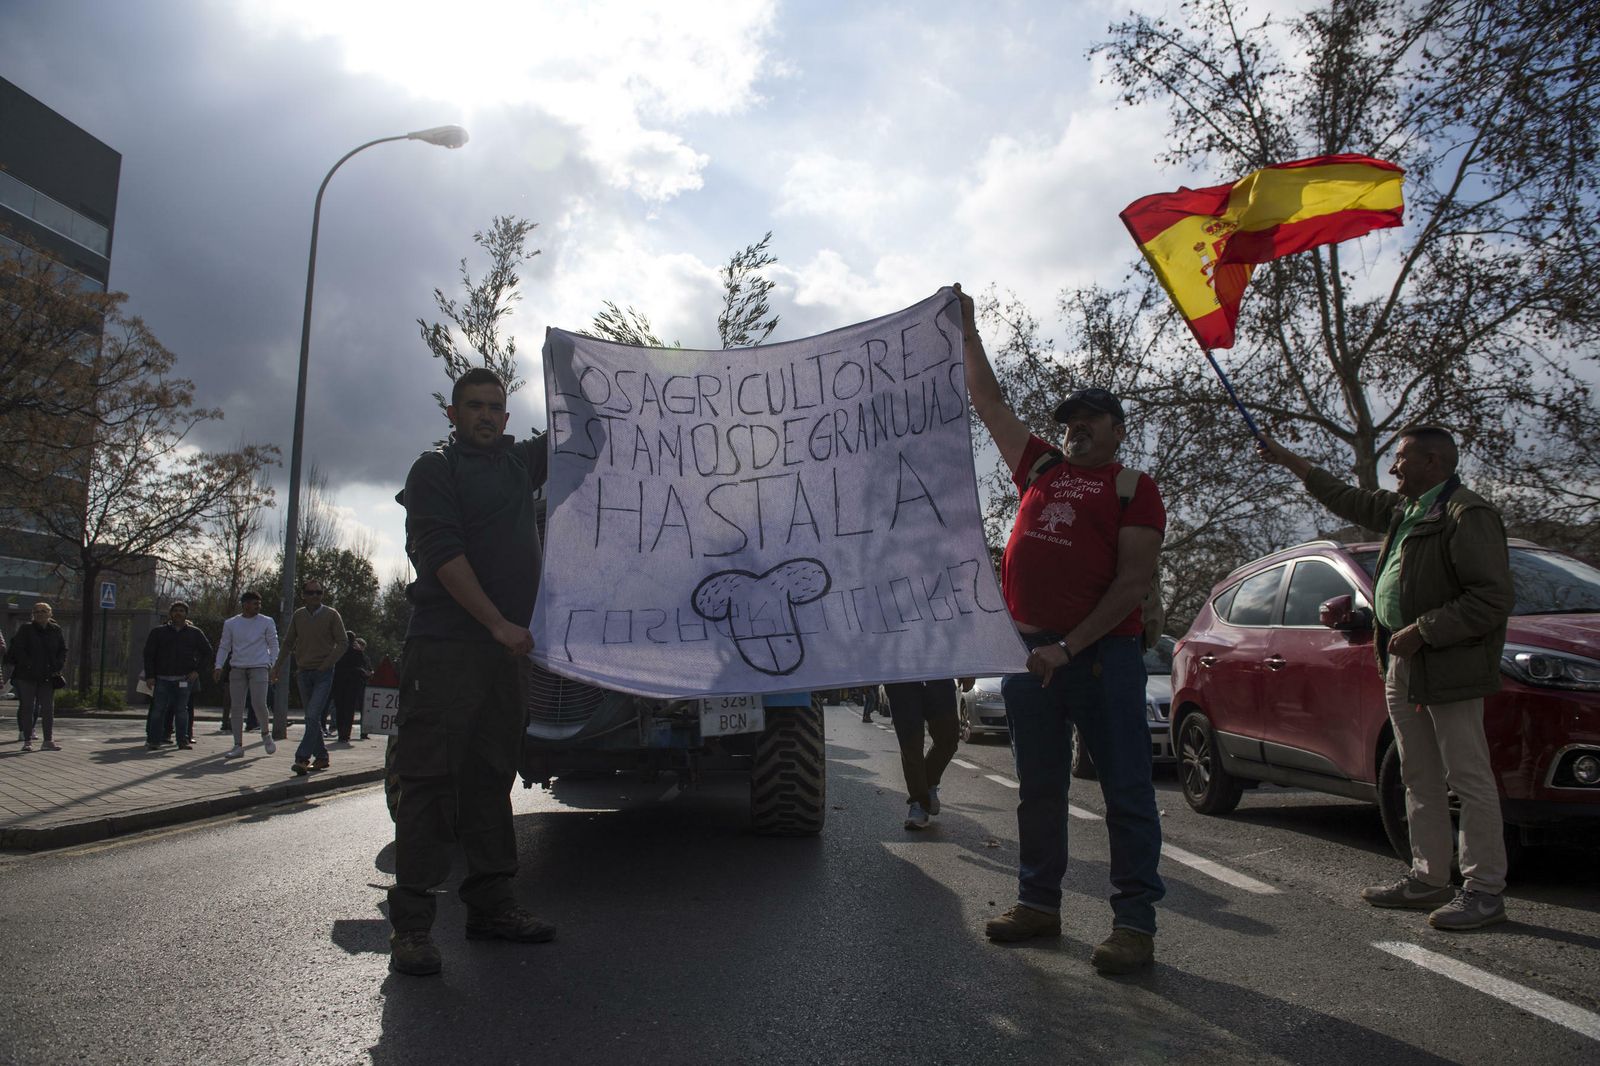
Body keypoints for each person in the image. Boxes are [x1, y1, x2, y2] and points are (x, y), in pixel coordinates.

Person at [956, 283, 1166, 975]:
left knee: (1126, 792)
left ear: (1117, 430)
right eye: (1070, 420)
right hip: (1029, 656)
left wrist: (1068, 647)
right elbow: (989, 405)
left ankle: (1133, 924)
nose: (1076, 428)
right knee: (1038, 789)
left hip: (1099, 657)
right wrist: (969, 327)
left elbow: (1133, 583)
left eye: (1091, 420)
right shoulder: (1040, 466)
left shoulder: (1134, 488)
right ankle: (1039, 905)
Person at [1257, 426, 1514, 930]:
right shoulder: (1405, 510)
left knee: (1468, 777)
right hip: (1403, 664)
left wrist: (1424, 630)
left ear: (1434, 463)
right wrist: (1288, 460)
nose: (1393, 468)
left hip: (1448, 666)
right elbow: (1344, 497)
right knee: (1417, 775)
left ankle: (1484, 890)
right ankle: (1429, 878)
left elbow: (1491, 598)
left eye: (1401, 459)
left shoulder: (1467, 513)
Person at [388, 366, 554, 977]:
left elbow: (579, 429)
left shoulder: (517, 466)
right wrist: (495, 623)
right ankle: (411, 928)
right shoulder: (434, 471)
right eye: (474, 406)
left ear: (506, 419)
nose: (485, 415)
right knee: (431, 783)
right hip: (446, 649)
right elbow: (443, 556)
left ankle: (491, 907)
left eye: (495, 407)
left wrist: (594, 370)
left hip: (502, 655)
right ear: (453, 415)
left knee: (491, 777)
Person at [272, 579, 345, 775]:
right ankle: (321, 757)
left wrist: (327, 664)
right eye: (311, 593)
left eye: (318, 593)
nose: (315, 596)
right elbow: (288, 643)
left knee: (312, 715)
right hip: (303, 673)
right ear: (303, 595)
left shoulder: (331, 615)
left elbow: (343, 642)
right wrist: (276, 666)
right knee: (312, 719)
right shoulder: (299, 616)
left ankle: (302, 758)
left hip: (323, 673)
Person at [213, 590, 280, 759]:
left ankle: (266, 734)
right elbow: (224, 646)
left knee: (259, 703)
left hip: (259, 666)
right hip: (238, 667)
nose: (258, 606)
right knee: (236, 706)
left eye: (259, 603)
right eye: (254, 603)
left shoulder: (266, 621)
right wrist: (218, 665)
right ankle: (238, 745)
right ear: (245, 605)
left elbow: (273, 644)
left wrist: (274, 665)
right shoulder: (231, 623)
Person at [885, 679, 960, 830]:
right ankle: (919, 801)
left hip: (939, 674)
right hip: (900, 679)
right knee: (910, 744)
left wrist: (969, 670)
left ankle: (928, 784)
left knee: (948, 737)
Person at [142, 601, 213, 752]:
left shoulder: (195, 633)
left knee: (182, 710)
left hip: (184, 679)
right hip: (162, 678)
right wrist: (150, 676)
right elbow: (149, 655)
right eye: (175, 611)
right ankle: (154, 740)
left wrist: (196, 671)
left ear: (186, 614)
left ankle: (182, 740)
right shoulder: (158, 632)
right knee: (158, 710)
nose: (178, 613)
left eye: (181, 611)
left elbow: (208, 652)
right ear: (170, 614)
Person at [5, 601, 68, 752]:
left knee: (47, 709)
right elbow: (18, 649)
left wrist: (58, 664)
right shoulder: (26, 629)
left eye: (43, 611)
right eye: (36, 611)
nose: (40, 614)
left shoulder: (55, 629)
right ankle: (27, 741)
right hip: (26, 675)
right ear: (33, 614)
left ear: (50, 613)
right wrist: (28, 664)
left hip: (47, 675)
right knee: (28, 707)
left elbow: (62, 649)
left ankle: (48, 740)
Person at [331, 631, 370, 744]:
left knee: (339, 709)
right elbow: (362, 664)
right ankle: (345, 734)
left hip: (338, 683)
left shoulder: (338, 650)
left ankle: (340, 732)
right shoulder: (356, 652)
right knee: (349, 710)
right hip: (352, 685)